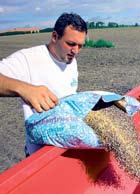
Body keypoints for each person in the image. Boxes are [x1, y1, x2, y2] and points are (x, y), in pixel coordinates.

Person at [0, 12, 87, 155]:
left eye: (80, 46)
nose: (76, 51)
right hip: (40, 155)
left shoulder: (71, 60)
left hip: (68, 148)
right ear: (54, 37)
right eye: (71, 44)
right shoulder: (27, 59)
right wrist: (24, 89)